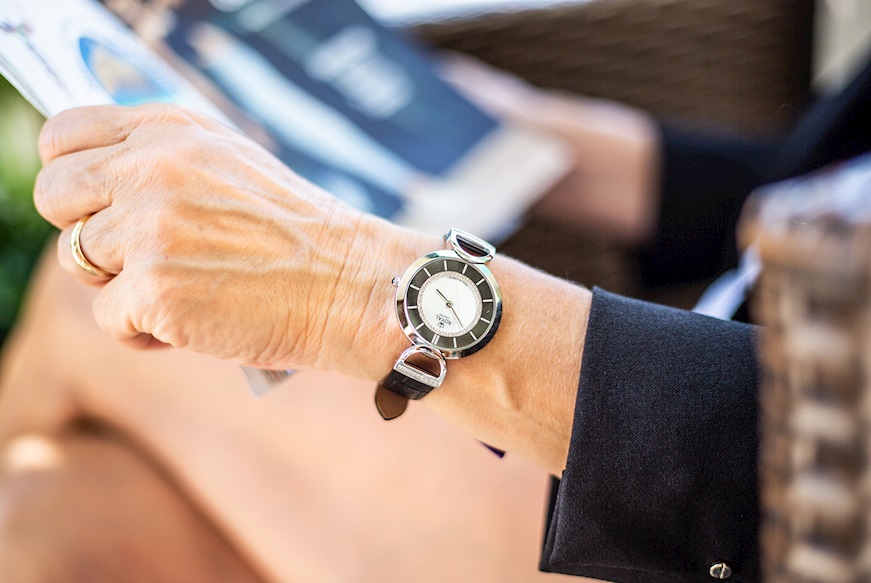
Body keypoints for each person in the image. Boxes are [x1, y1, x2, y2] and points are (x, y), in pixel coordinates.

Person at [15, 47, 871, 583]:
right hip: (700, 395)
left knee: (97, 309)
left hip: (744, 511)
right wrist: (520, 134)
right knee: (50, 519)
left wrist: (352, 285)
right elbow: (833, 193)